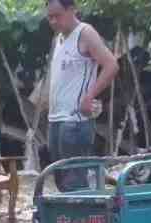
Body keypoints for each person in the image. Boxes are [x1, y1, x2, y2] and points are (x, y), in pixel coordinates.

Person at [46, 0, 119, 191]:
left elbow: (111, 65)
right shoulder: (59, 39)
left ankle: (81, 221)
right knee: (61, 182)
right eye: (49, 17)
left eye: (57, 15)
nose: (53, 21)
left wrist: (89, 96)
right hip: (56, 119)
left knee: (75, 183)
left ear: (72, 10)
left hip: (75, 122)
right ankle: (67, 220)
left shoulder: (85, 33)